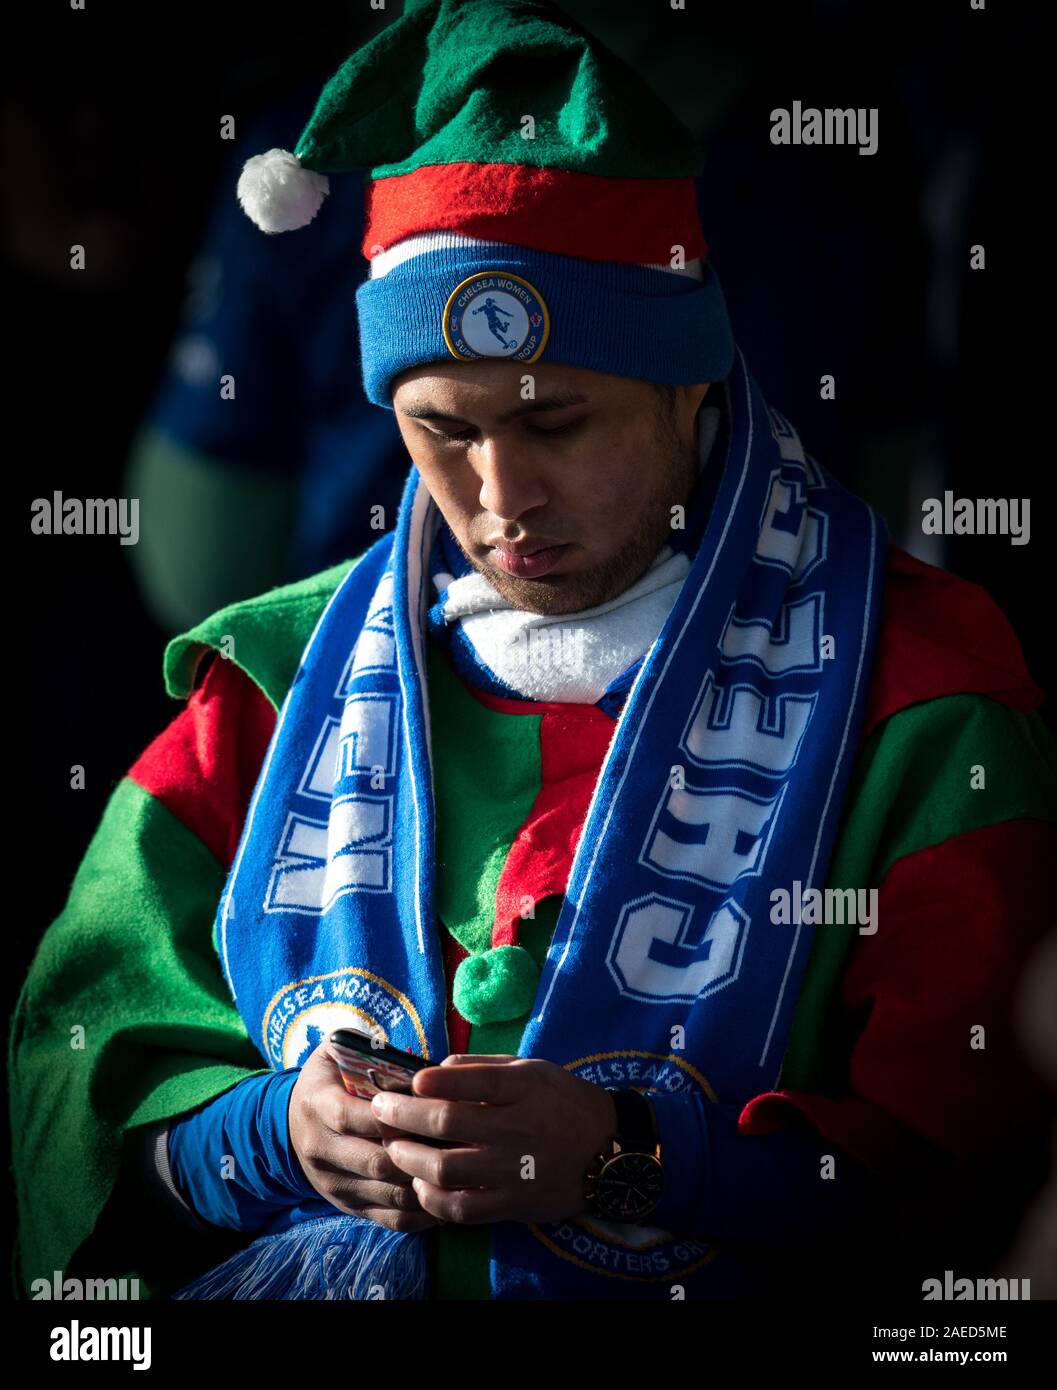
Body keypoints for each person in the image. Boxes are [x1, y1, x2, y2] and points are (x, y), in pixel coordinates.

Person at [10, 0, 1055, 1302]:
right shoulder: (263, 690)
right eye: (440, 428)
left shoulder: (920, 703)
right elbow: (78, 1082)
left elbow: (980, 1178)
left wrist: (623, 1158)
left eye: (557, 421)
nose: (501, 494)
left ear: (691, 384)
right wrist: (271, 1134)